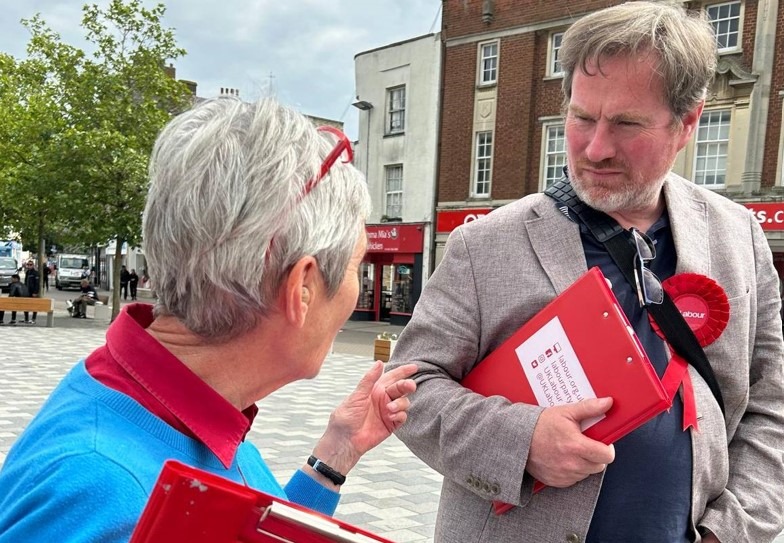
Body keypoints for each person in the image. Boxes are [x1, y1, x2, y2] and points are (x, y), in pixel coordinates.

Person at [386, 3, 784, 542]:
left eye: (626, 123)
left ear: (688, 122)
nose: (596, 149)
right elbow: (409, 391)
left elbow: (771, 406)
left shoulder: (740, 237)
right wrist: (522, 441)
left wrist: (729, 532)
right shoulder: (485, 244)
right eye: (581, 117)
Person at [0, 96, 417, 542]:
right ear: (303, 288)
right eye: (356, 266)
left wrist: (336, 452)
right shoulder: (104, 491)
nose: (354, 293)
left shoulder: (181, 406)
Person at [22, 260, 39, 325]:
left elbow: (37, 284)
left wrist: (35, 292)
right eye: (28, 264)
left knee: (34, 306)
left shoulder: (35, 273)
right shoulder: (27, 272)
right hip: (27, 291)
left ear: (33, 265)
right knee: (26, 305)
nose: (29, 266)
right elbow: (26, 281)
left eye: (30, 264)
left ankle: (33, 319)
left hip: (33, 292)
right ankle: (26, 318)